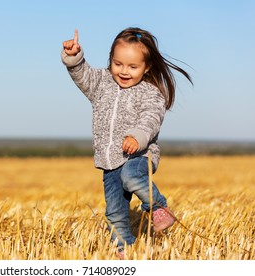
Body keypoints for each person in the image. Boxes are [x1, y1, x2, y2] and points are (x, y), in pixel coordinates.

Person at [61, 28, 192, 257]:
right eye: (118, 63)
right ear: (111, 59)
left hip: (139, 156)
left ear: (147, 67)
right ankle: (125, 251)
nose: (124, 71)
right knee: (114, 212)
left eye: (133, 67)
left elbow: (151, 119)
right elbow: (82, 75)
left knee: (131, 177)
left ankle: (158, 208)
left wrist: (137, 137)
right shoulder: (101, 84)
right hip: (110, 161)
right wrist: (74, 58)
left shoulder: (150, 93)